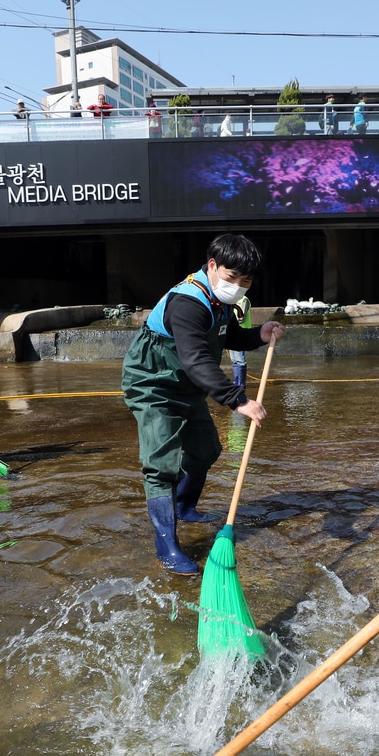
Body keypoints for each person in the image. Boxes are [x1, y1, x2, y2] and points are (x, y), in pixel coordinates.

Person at [121, 234, 286, 574]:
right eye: (232, 277)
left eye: (246, 280)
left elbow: (229, 336)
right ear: (212, 266)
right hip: (154, 385)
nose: (238, 285)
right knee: (160, 466)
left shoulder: (221, 300)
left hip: (187, 385)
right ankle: (166, 547)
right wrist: (237, 399)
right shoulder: (187, 302)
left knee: (206, 449)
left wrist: (259, 334)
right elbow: (197, 359)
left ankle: (184, 506)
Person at [228, 293, 251, 389]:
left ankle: (241, 384)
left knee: (240, 360)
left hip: (241, 332)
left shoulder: (244, 300)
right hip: (232, 332)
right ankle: (236, 382)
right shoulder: (231, 301)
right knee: (234, 360)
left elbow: (241, 318)